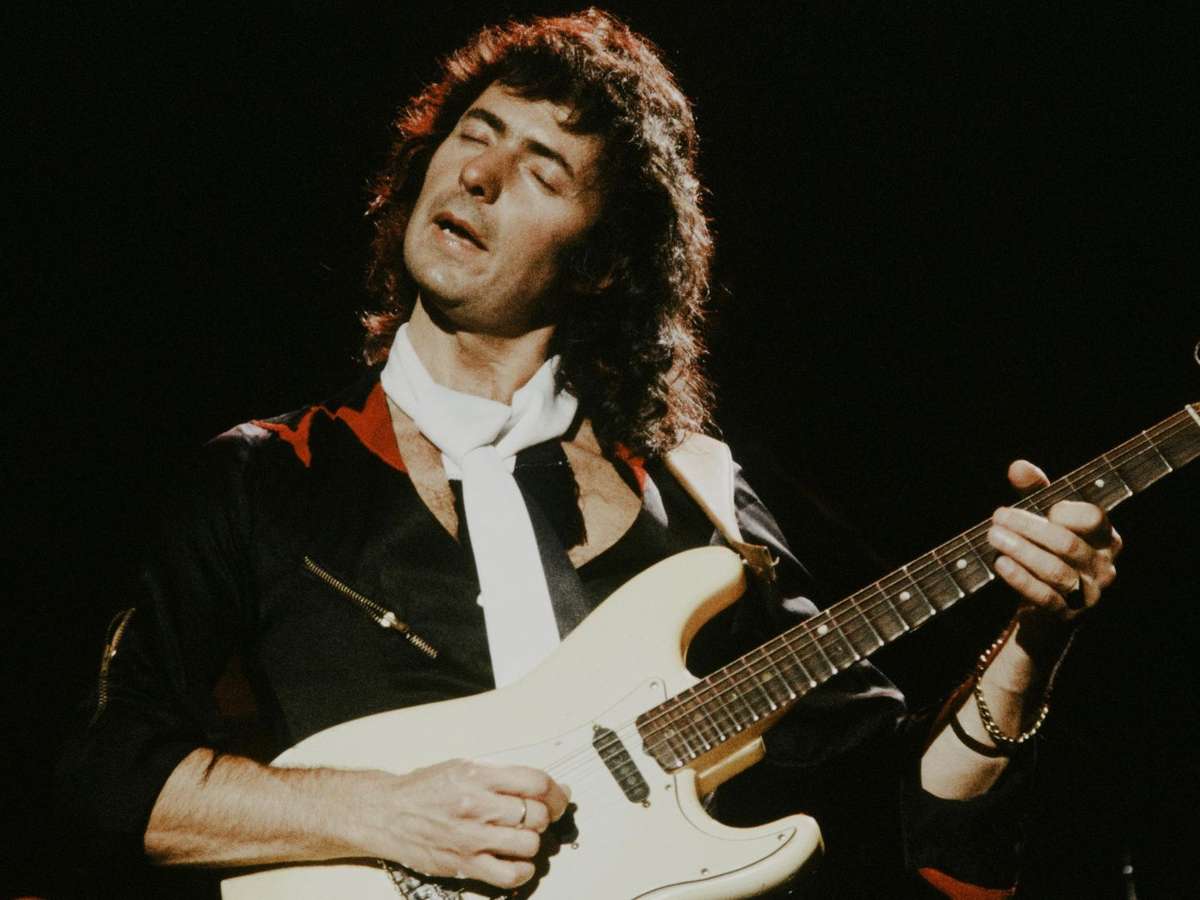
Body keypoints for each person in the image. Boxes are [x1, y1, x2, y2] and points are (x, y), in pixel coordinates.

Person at [58, 10, 1121, 898]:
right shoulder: (263, 479)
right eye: (475, 132)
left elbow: (914, 824)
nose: (480, 175)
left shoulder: (699, 500)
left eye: (543, 170)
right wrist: (389, 812)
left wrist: (1034, 641)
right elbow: (102, 780)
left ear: (605, 262)